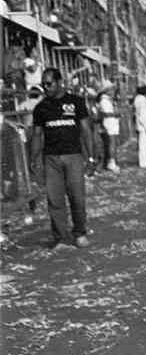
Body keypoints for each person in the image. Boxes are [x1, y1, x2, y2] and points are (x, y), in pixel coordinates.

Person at [29, 68, 94, 249]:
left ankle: (80, 232)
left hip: (73, 156)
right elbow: (36, 135)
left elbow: (86, 130)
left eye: (49, 83)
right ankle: (61, 238)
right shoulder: (41, 108)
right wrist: (33, 158)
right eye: (43, 84)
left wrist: (91, 158)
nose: (46, 87)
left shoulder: (76, 102)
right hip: (51, 159)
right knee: (55, 200)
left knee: (77, 197)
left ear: (59, 82)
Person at [96, 82, 120, 173]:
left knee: (112, 143)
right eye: (111, 89)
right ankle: (111, 162)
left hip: (113, 122)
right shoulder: (104, 101)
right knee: (111, 143)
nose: (113, 91)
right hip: (109, 123)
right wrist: (116, 113)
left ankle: (111, 161)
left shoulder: (110, 100)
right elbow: (105, 113)